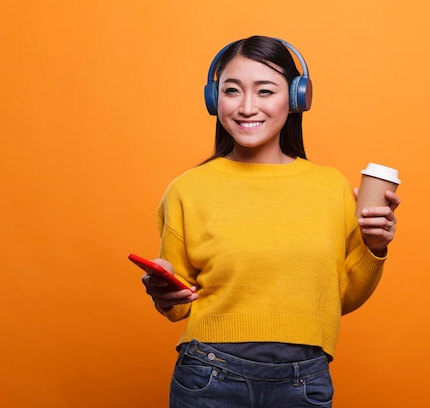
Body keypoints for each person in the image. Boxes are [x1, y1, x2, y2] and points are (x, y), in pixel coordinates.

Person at [141, 35, 401, 408]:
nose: (247, 107)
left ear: (296, 98)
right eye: (232, 91)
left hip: (304, 380)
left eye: (265, 91)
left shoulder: (329, 187)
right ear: (215, 100)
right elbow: (180, 304)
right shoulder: (187, 189)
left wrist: (374, 247)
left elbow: (338, 298)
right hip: (208, 376)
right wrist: (164, 291)